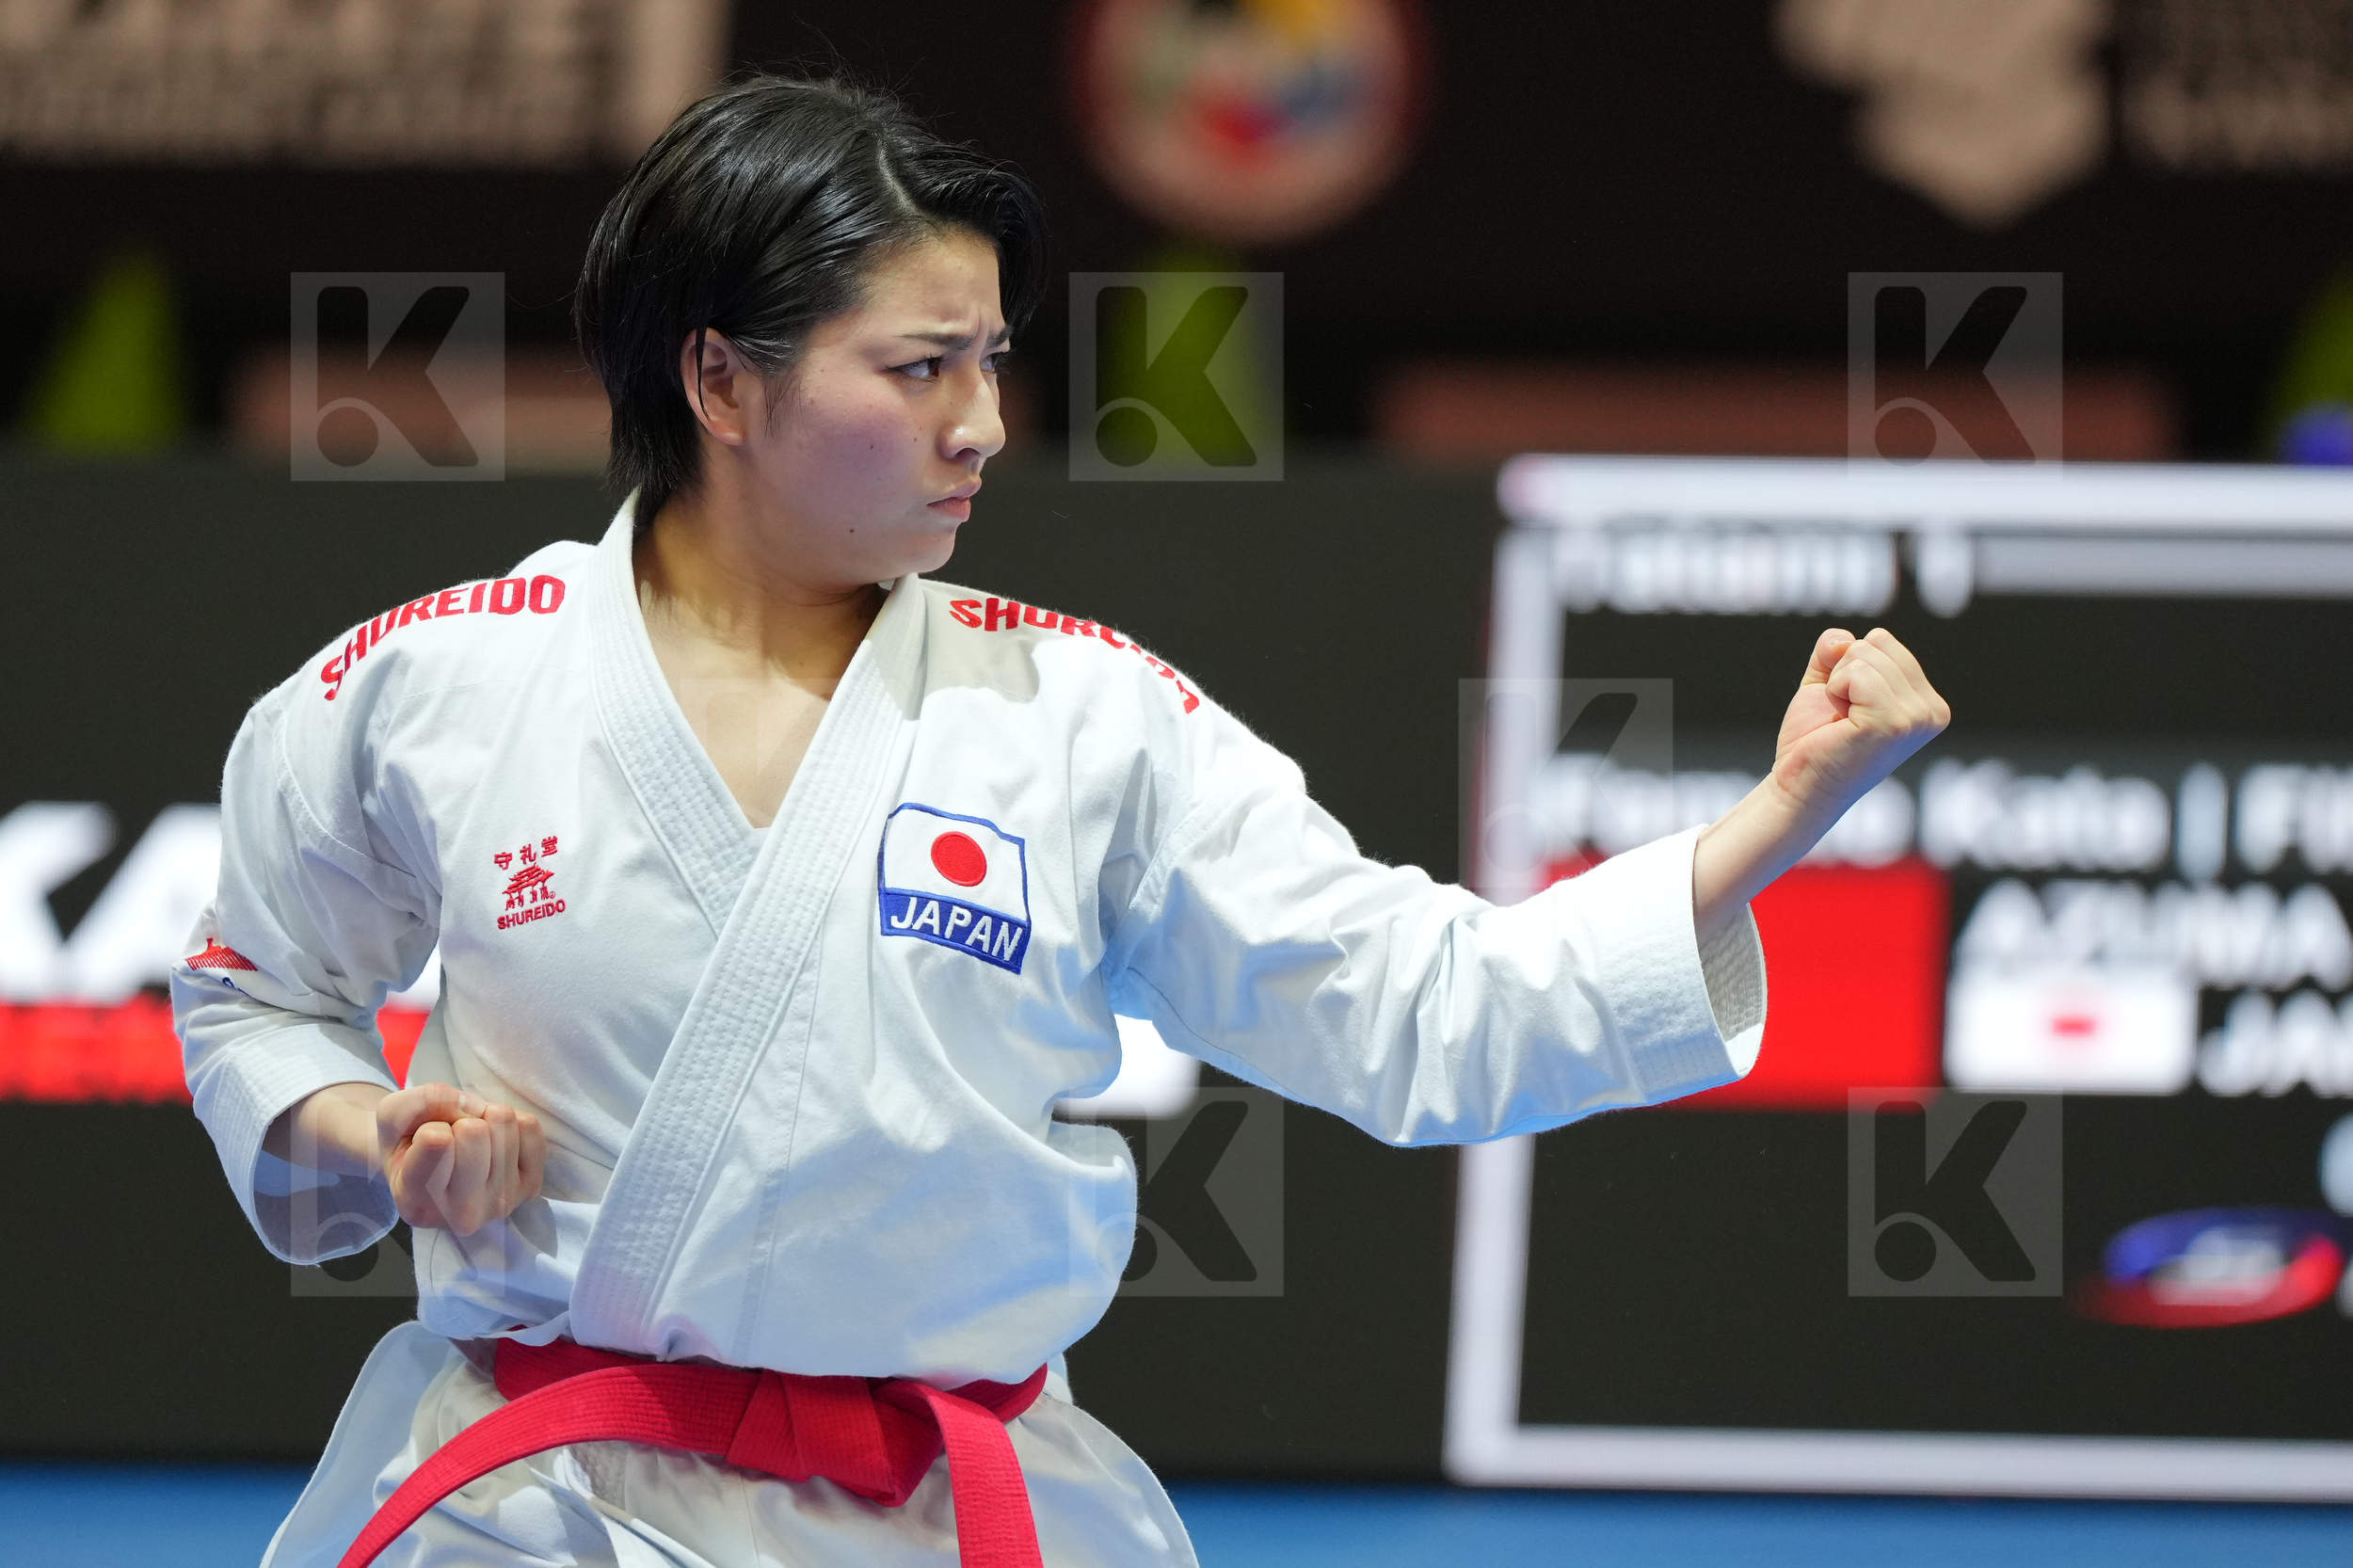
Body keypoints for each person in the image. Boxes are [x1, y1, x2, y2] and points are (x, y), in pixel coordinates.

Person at [175, 74, 1949, 1568]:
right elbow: (251, 987)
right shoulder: (440, 682)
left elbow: (1427, 1001)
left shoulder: (1087, 718)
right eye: (920, 368)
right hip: (543, 1506)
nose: (985, 425)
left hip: (949, 1511)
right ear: (720, 381)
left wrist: (1780, 814)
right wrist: (365, 1131)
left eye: (993, 362)